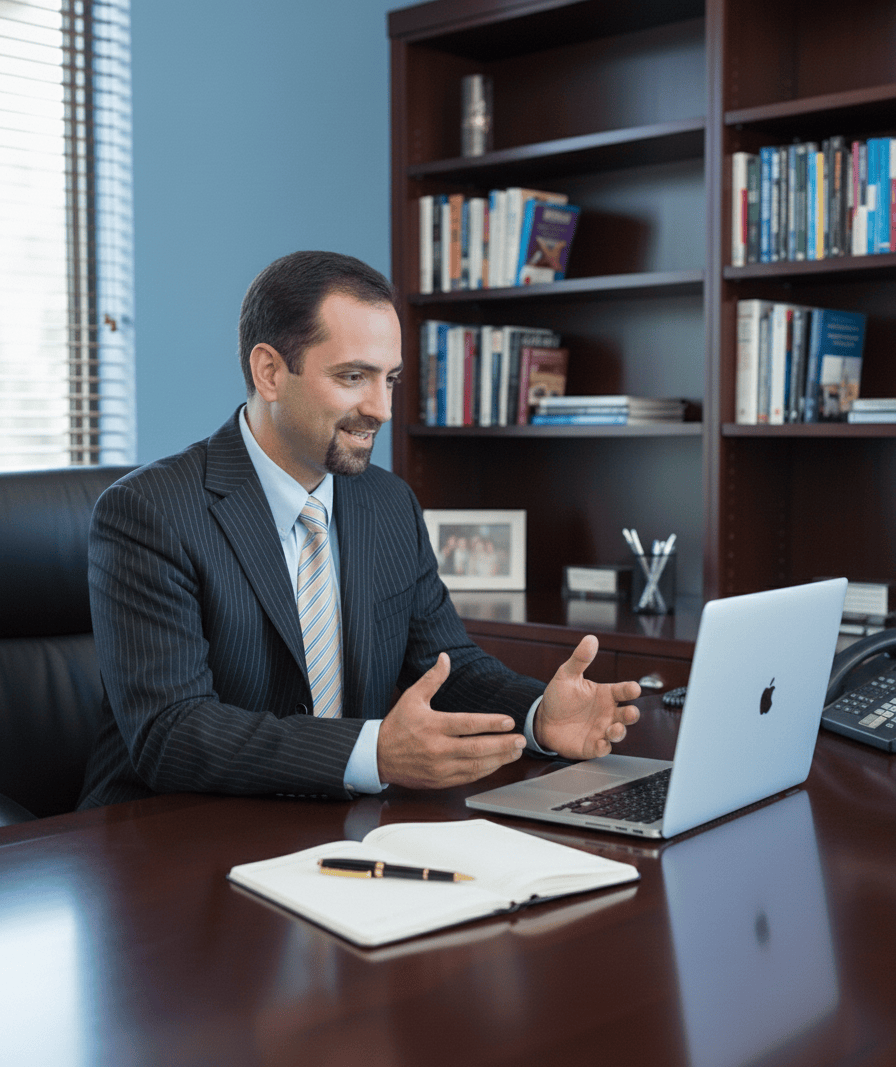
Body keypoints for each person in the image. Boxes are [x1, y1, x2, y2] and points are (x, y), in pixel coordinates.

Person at [78, 251, 640, 808]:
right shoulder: (149, 512)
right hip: (168, 839)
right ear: (269, 372)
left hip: (337, 829)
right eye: (353, 377)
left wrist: (540, 714)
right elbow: (171, 732)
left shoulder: (387, 502)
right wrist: (372, 754)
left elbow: (447, 664)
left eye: (389, 379)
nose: (381, 408)